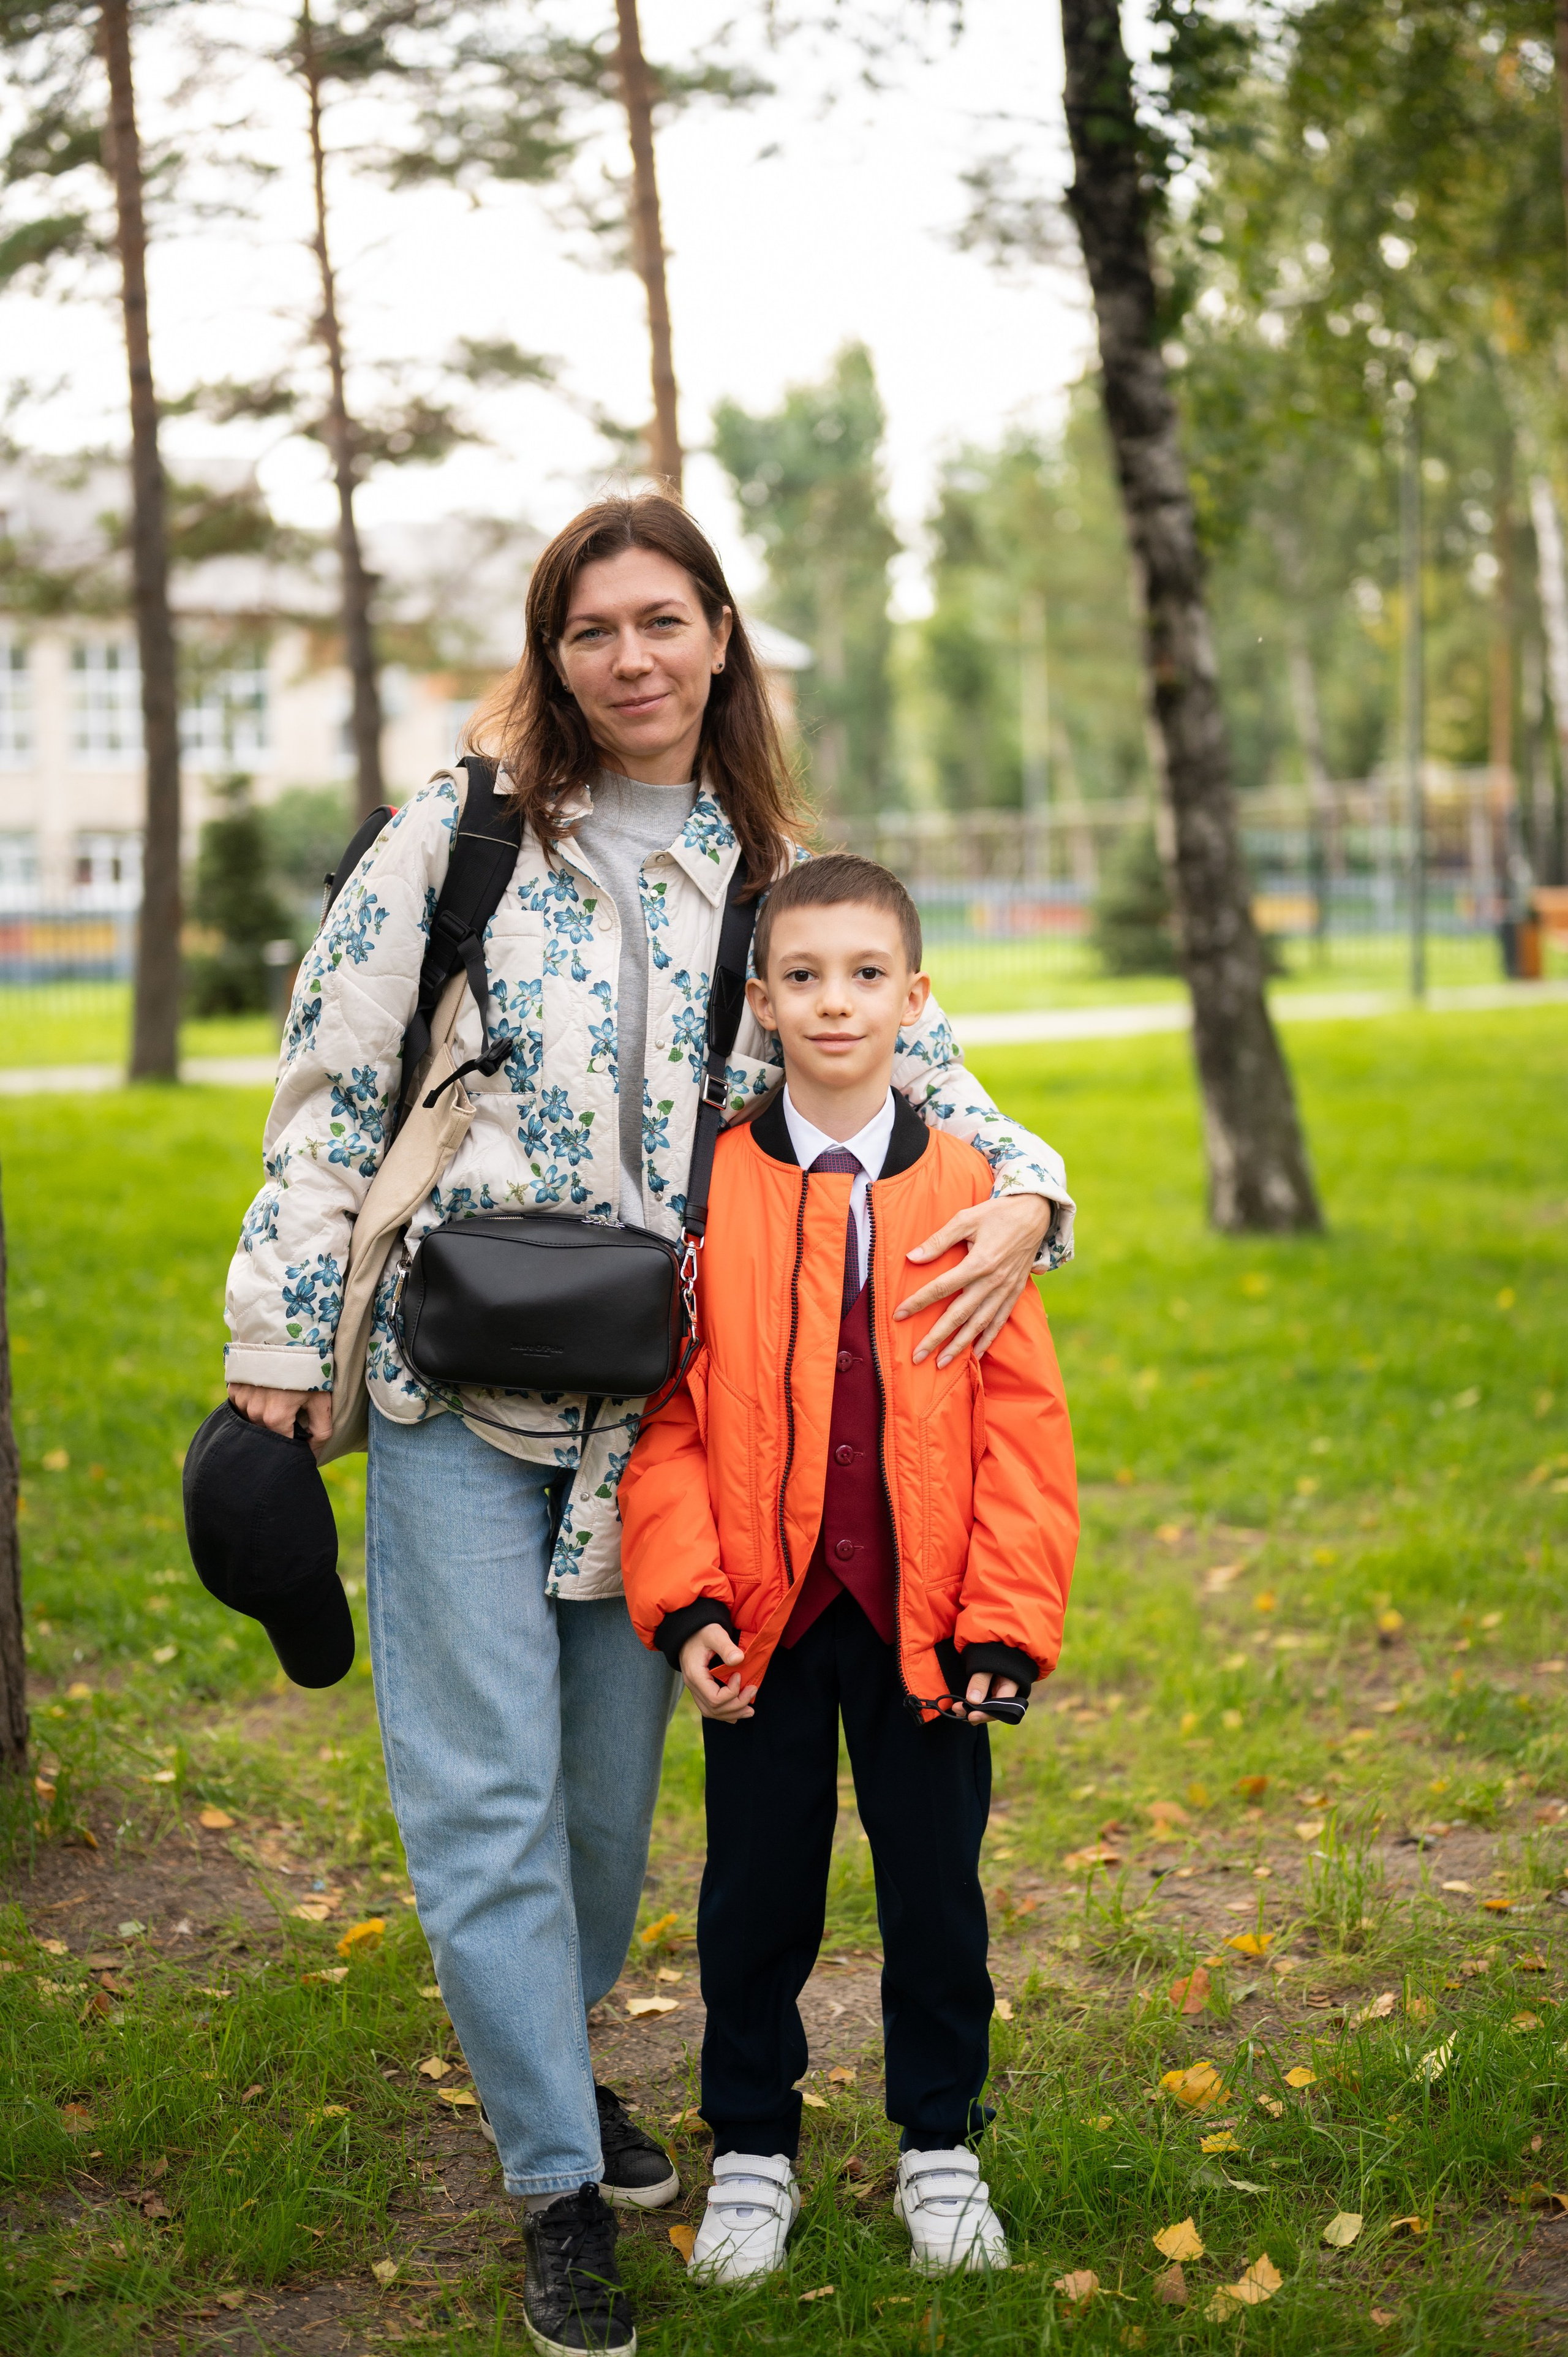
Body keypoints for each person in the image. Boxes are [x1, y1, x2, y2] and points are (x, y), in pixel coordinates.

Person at [222, 497, 1074, 2356]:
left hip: (669, 1421)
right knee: (482, 1805)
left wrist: (1026, 1196)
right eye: (594, 626)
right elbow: (328, 1087)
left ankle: (555, 2049)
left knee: (604, 1824)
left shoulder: (763, 874)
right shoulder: (451, 838)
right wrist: (278, 1347)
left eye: (662, 621)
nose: (631, 657)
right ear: (553, 650)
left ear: (716, 638)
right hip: (456, 1381)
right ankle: (553, 2183)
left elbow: (923, 1071)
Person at [619, 853, 1077, 2285]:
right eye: (801, 976)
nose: (833, 1003)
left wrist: (1005, 1617)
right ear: (758, 1001)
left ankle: (940, 2143)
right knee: (756, 1895)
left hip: (927, 1624)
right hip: (767, 1618)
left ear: (913, 997)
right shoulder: (711, 1193)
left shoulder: (970, 1190)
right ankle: (752, 2148)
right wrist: (688, 1599)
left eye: (864, 975)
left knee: (936, 1894)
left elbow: (1021, 1425)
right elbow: (673, 1420)